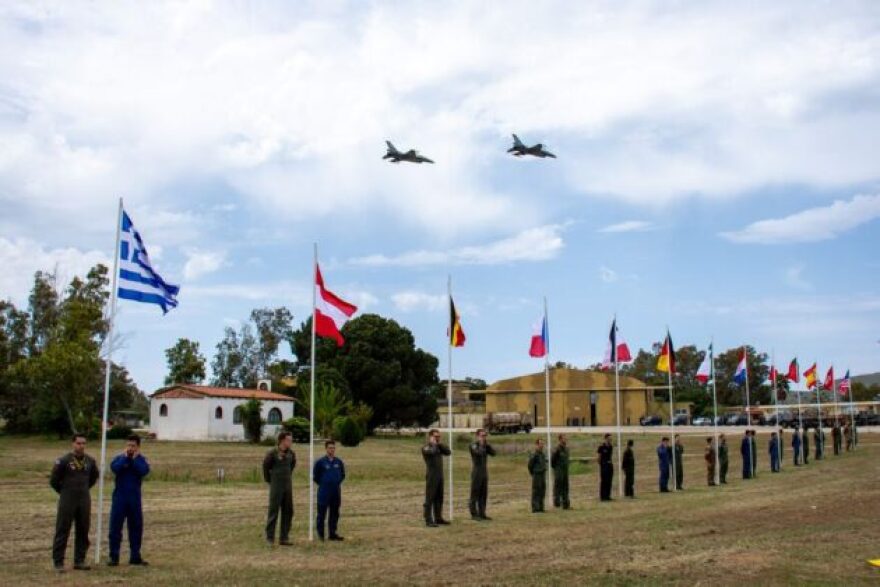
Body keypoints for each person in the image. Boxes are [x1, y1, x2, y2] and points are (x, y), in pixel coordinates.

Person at [51, 433, 99, 572]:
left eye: (83, 443)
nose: (81, 446)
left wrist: (83, 490)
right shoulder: (64, 460)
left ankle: (80, 560)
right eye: (78, 443)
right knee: (63, 529)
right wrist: (64, 491)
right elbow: (54, 480)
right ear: (73, 444)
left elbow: (93, 477)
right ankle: (58, 562)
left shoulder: (90, 461)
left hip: (84, 499)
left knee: (83, 530)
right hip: (67, 499)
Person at [108, 434, 150, 566]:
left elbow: (143, 471)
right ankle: (114, 557)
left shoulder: (142, 460)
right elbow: (115, 468)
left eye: (133, 446)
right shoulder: (119, 458)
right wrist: (126, 458)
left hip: (134, 499)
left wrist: (135, 459)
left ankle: (135, 556)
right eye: (128, 445)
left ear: (138, 447)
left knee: (136, 527)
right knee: (115, 528)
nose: (130, 448)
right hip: (120, 497)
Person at [263, 431, 296, 546]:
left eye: (291, 440)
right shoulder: (272, 453)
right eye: (289, 440)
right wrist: (270, 480)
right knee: (273, 511)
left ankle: (284, 537)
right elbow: (266, 467)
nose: (290, 442)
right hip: (276, 486)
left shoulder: (291, 454)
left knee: (288, 511)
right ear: (282, 440)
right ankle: (270, 538)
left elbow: (292, 466)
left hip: (287, 486)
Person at [313, 439, 346, 541]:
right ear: (326, 449)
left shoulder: (338, 462)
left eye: (333, 448)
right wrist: (324, 483)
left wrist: (335, 482)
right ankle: (321, 535)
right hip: (324, 492)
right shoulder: (320, 462)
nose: (332, 450)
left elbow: (342, 475)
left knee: (334, 513)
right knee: (321, 514)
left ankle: (332, 533)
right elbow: (315, 476)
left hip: (335, 492)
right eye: (330, 448)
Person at [422, 428, 451, 527]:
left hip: (440, 475)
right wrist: (434, 444)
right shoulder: (426, 447)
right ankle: (428, 519)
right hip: (431, 475)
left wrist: (439, 444)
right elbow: (432, 452)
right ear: (430, 437)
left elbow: (448, 452)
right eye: (435, 436)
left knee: (439, 498)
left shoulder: (438, 446)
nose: (437, 438)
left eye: (439, 436)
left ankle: (438, 518)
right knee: (430, 498)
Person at [468, 429, 496, 520]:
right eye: (482, 435)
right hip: (476, 471)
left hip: (484, 471)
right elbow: (479, 453)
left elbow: (493, 453)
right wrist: (482, 445)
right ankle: (474, 514)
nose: (484, 437)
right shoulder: (473, 445)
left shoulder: (485, 446)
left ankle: (482, 513)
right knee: (475, 493)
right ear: (477, 436)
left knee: (483, 494)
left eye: (485, 436)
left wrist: (487, 445)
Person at [551, 434, 571, 509]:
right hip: (559, 470)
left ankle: (566, 503)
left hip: (565, 470)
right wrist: (556, 469)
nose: (565, 440)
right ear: (560, 440)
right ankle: (557, 503)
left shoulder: (566, 449)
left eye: (566, 438)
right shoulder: (557, 449)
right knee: (558, 486)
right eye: (564, 438)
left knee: (565, 487)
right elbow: (553, 461)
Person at [527, 438, 547, 513]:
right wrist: (533, 473)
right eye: (540, 444)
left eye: (542, 444)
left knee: (542, 491)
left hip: (542, 474)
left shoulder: (542, 454)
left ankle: (541, 507)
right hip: (537, 474)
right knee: (536, 491)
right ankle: (535, 508)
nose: (542, 445)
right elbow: (530, 465)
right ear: (537, 445)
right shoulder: (534, 454)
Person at [597, 434, 613, 501]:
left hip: (609, 465)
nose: (610, 440)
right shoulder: (601, 447)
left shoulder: (610, 446)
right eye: (609, 438)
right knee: (604, 481)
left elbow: (610, 456)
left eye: (611, 439)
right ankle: (603, 497)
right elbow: (599, 458)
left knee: (609, 481)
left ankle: (608, 496)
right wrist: (602, 465)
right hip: (604, 466)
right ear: (606, 438)